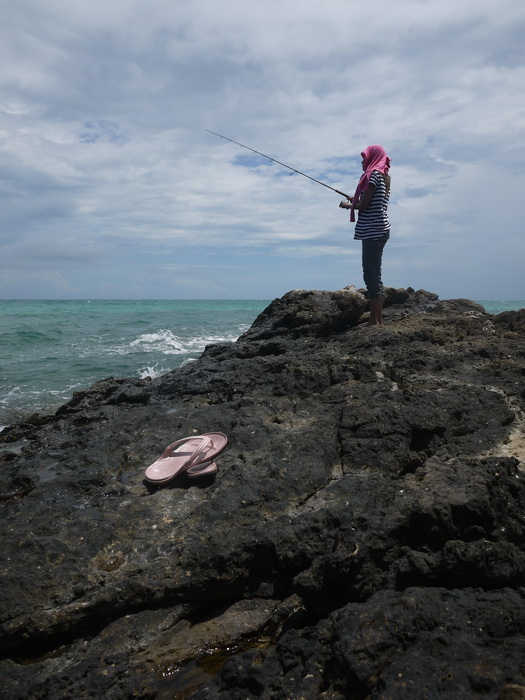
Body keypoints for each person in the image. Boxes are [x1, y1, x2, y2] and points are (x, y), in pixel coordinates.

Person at [340, 145, 391, 327]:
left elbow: (363, 205)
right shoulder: (383, 177)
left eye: (364, 158)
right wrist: (355, 199)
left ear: (373, 158)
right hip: (379, 229)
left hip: (374, 230)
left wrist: (348, 205)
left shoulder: (373, 175)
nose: (362, 161)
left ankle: (373, 322)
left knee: (371, 275)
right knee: (374, 274)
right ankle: (377, 320)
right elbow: (369, 200)